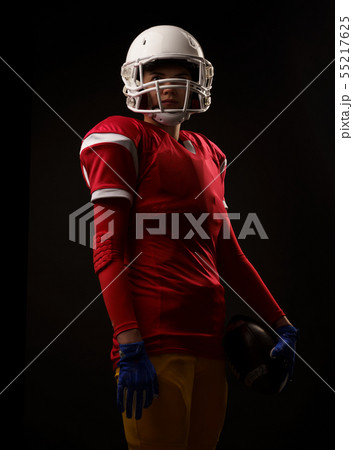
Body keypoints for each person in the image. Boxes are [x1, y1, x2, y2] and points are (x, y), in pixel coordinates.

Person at [79, 25, 298, 450]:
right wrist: (129, 342)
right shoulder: (123, 138)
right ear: (136, 80)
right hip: (154, 347)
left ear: (199, 79)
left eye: (182, 73)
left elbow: (228, 253)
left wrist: (280, 321)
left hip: (211, 346)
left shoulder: (211, 153)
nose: (172, 85)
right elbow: (107, 246)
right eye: (160, 72)